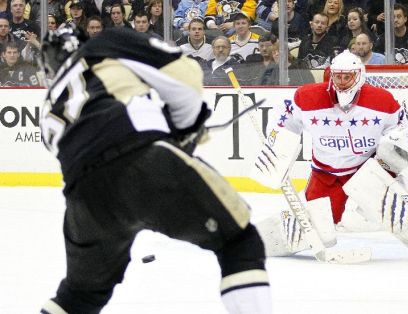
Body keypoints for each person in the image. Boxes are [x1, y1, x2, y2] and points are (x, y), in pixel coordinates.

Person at [38, 25, 272, 314]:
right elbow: (186, 75)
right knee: (239, 242)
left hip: (82, 202)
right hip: (141, 161)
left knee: (80, 294)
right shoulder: (105, 44)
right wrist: (185, 128)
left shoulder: (48, 106)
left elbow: (91, 144)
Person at [253, 50, 408, 261]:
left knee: (397, 208)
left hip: (366, 169)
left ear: (359, 76)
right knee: (316, 228)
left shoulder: (382, 100)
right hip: (326, 173)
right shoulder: (307, 96)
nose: (341, 82)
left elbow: (401, 133)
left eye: (347, 77)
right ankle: (255, 242)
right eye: (338, 76)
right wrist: (277, 145)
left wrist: (393, 160)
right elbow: (283, 121)